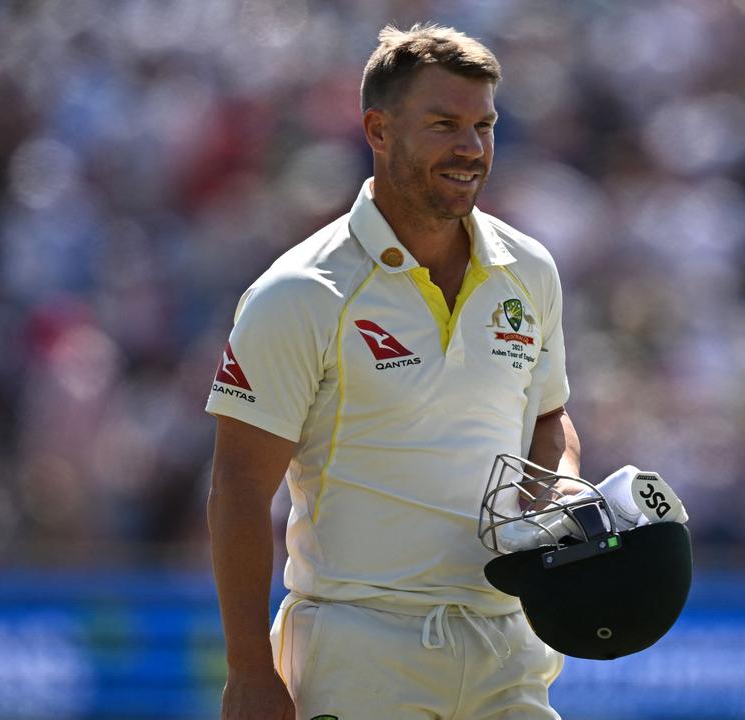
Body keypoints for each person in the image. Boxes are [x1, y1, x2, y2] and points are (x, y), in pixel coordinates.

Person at [205, 22, 580, 720]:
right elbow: (238, 486)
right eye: (445, 124)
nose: (471, 149)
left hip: (508, 646)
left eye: (484, 126)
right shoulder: (300, 291)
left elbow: (549, 417)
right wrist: (249, 672)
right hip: (360, 648)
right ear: (378, 130)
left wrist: (551, 499)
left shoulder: (530, 270)